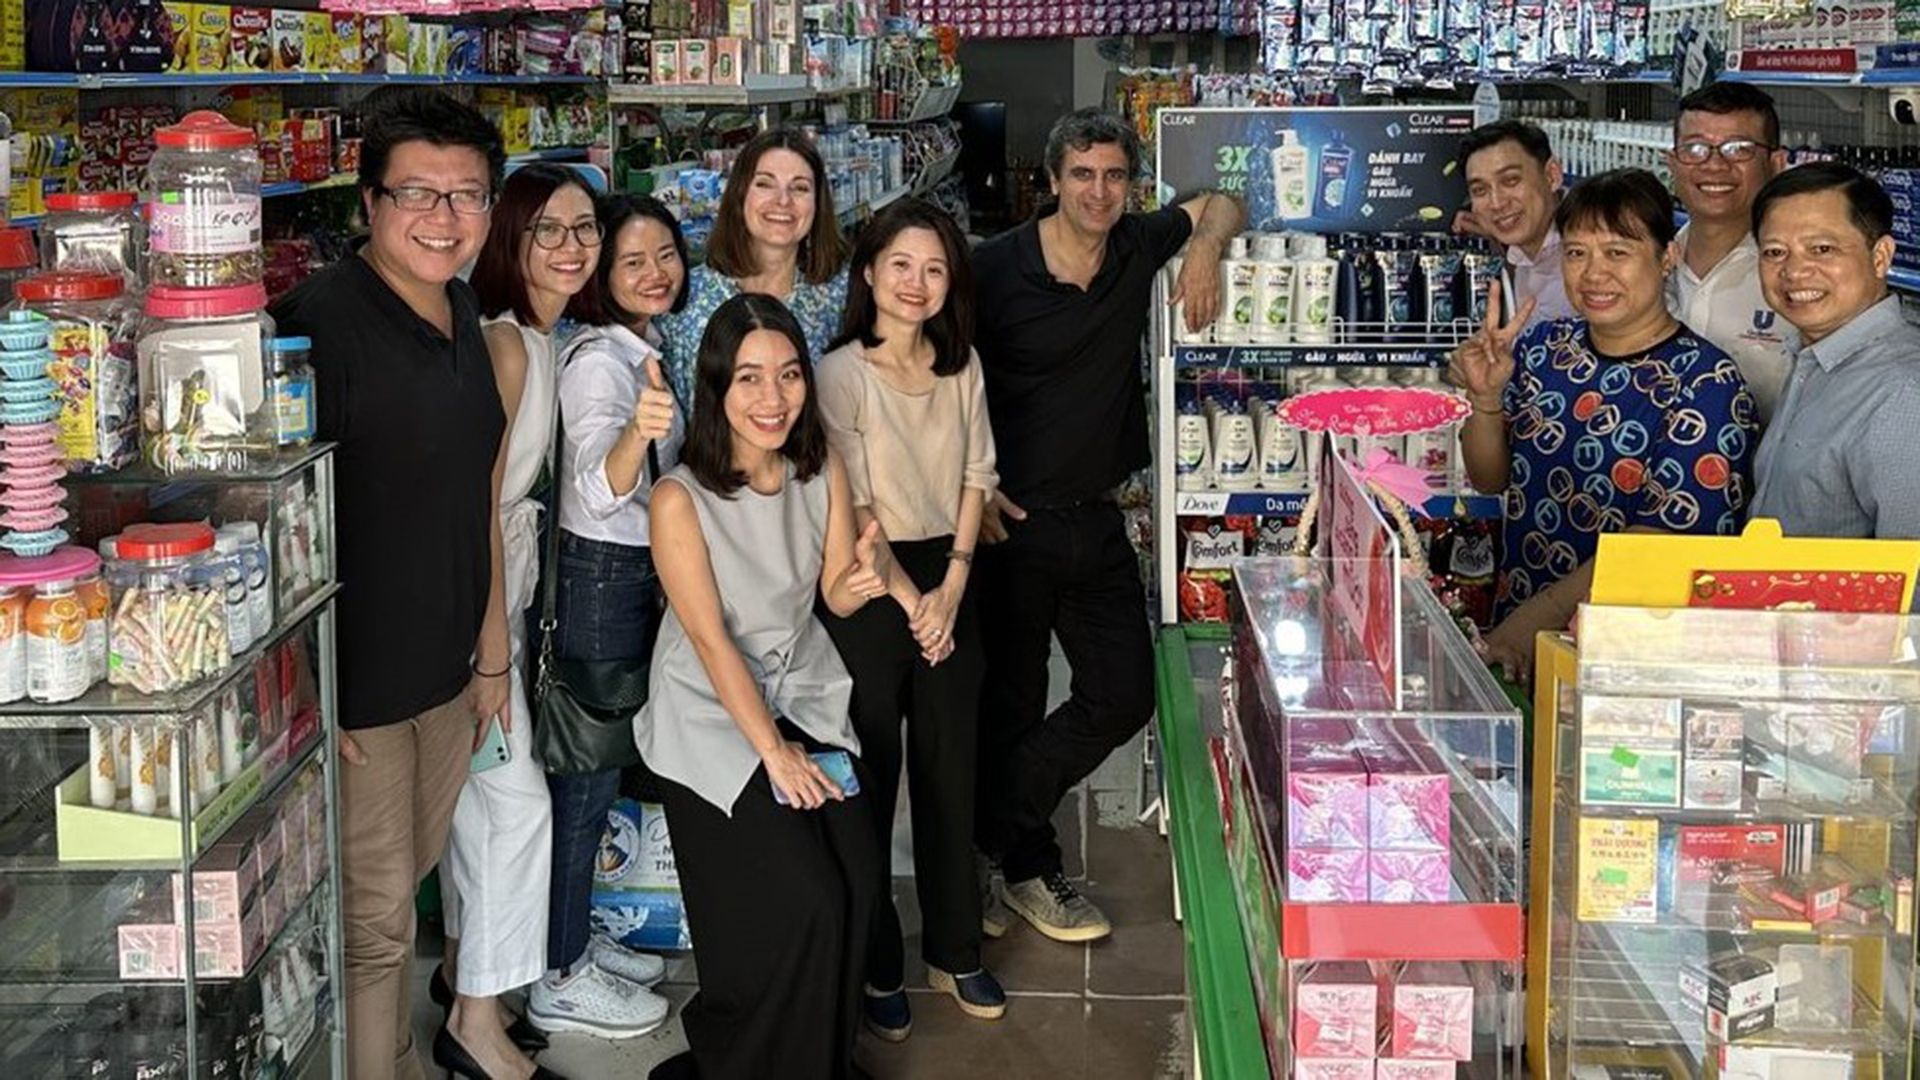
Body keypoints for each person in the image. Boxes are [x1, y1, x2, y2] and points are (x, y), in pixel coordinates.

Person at [269, 86, 508, 1080]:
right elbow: (268, 536)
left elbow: (478, 499)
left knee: (401, 898)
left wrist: (489, 658)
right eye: (418, 193)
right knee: (372, 935)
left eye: (468, 196)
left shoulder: (461, 310)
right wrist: (311, 700)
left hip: (446, 685)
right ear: (367, 202)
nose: (445, 219)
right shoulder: (315, 334)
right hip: (358, 707)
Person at [972, 108, 1242, 943]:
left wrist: (1200, 248)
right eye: (1082, 174)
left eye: (1114, 175)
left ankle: (988, 826)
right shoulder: (994, 269)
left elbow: (1221, 202)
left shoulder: (1133, 245)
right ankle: (1024, 865)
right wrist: (967, 484)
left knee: (1122, 693)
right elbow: (948, 376)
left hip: (1094, 521)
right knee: (1010, 703)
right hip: (1005, 525)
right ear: (1052, 180)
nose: (1098, 190)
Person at [639, 293, 884, 1080]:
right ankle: (752, 1059)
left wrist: (869, 575)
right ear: (714, 389)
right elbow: (710, 642)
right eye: (748, 379)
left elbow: (835, 594)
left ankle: (818, 1058)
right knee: (805, 898)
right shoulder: (680, 497)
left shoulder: (821, 470)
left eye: (787, 376)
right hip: (713, 718)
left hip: (802, 690)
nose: (771, 399)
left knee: (855, 879)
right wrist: (774, 754)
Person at [424, 162, 598, 1080]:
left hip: (504, 603)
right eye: (549, 231)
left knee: (478, 810)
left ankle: (461, 973)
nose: (571, 247)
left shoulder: (545, 336)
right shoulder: (504, 345)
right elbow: (476, 507)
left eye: (584, 230)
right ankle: (476, 1028)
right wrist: (492, 652)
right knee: (514, 810)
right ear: (511, 241)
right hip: (472, 617)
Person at [816, 198, 1002, 1040]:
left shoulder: (961, 367)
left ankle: (955, 945)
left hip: (948, 573)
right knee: (872, 776)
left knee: (949, 767)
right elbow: (849, 502)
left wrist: (953, 584)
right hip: (868, 580)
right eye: (900, 265)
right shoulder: (840, 373)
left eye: (934, 268)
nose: (917, 283)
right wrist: (909, 599)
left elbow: (976, 474)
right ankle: (877, 959)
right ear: (869, 273)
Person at [1452, 168, 1758, 679]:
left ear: (1667, 258)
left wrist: (1532, 626)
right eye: (1576, 253)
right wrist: (1484, 400)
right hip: (1520, 630)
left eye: (1617, 252)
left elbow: (1660, 543)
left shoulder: (1708, 383)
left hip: (1627, 657)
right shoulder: (1545, 348)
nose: (1593, 273)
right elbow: (1491, 479)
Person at [529, 192, 688, 1037]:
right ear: (602, 277)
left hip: (629, 572)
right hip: (602, 577)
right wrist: (637, 432)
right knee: (582, 781)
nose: (654, 271)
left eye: (665, 253)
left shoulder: (643, 347)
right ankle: (559, 972)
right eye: (632, 261)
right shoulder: (599, 361)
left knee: (598, 771)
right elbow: (596, 485)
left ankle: (576, 931)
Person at [1749, 162, 1920, 538]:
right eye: (1775, 252)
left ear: (1881, 257)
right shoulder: (1813, 358)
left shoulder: (1903, 393)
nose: (1794, 271)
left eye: (1822, 249)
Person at [656, 128, 849, 409]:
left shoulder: (840, 294)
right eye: (765, 184)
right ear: (739, 194)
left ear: (818, 204)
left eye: (800, 187)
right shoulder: (686, 298)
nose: (783, 200)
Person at [1665, 82, 1793, 420]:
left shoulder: (1799, 279)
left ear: (1777, 163)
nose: (1714, 165)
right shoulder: (1645, 266)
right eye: (1694, 149)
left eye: (1738, 149)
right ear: (1672, 163)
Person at [1458, 120, 1577, 335]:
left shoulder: (1595, 244)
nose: (1497, 203)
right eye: (1480, 190)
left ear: (1552, 175)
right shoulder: (1518, 251)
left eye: (1511, 180)